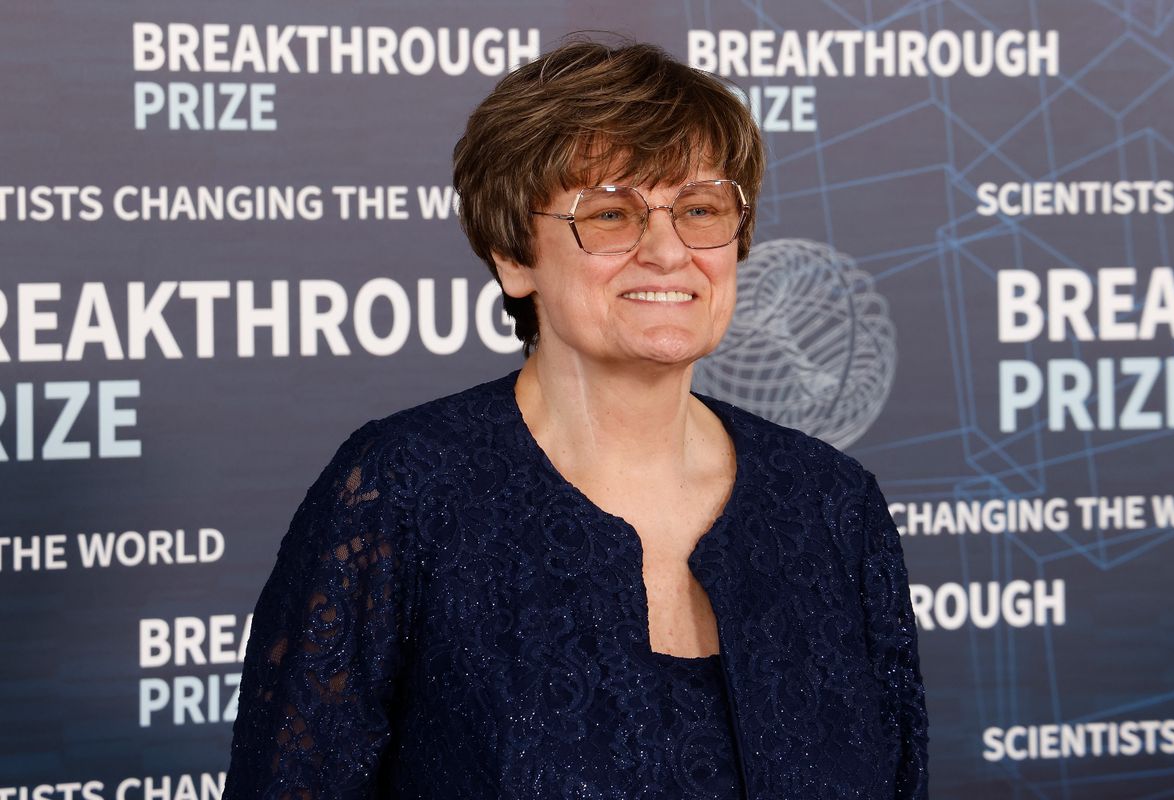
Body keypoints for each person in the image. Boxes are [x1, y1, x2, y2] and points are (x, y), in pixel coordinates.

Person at [224, 39, 928, 799]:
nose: (667, 251)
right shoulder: (404, 492)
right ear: (513, 256)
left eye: (699, 209)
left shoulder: (832, 503)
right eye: (612, 214)